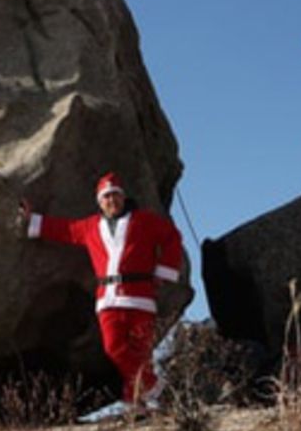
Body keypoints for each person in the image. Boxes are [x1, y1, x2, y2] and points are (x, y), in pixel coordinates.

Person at [21, 174, 185, 407]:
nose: (112, 200)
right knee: (114, 348)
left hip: (140, 296)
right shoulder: (90, 227)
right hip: (108, 299)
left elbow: (172, 237)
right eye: (106, 197)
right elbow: (64, 229)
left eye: (115, 195)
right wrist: (32, 219)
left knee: (141, 354)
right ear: (99, 201)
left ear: (123, 196)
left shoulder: (144, 221)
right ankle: (155, 387)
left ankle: (136, 404)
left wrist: (163, 271)